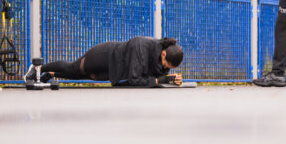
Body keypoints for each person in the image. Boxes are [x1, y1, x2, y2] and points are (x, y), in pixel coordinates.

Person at [24, 36, 184, 87]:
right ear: (164, 54)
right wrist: (159, 80)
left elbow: (157, 73)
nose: (165, 69)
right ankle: (37, 67)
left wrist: (171, 79)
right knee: (74, 67)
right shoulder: (142, 48)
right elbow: (136, 78)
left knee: (81, 76)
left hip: (113, 69)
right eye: (166, 66)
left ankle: (49, 74)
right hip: (105, 55)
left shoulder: (160, 54)